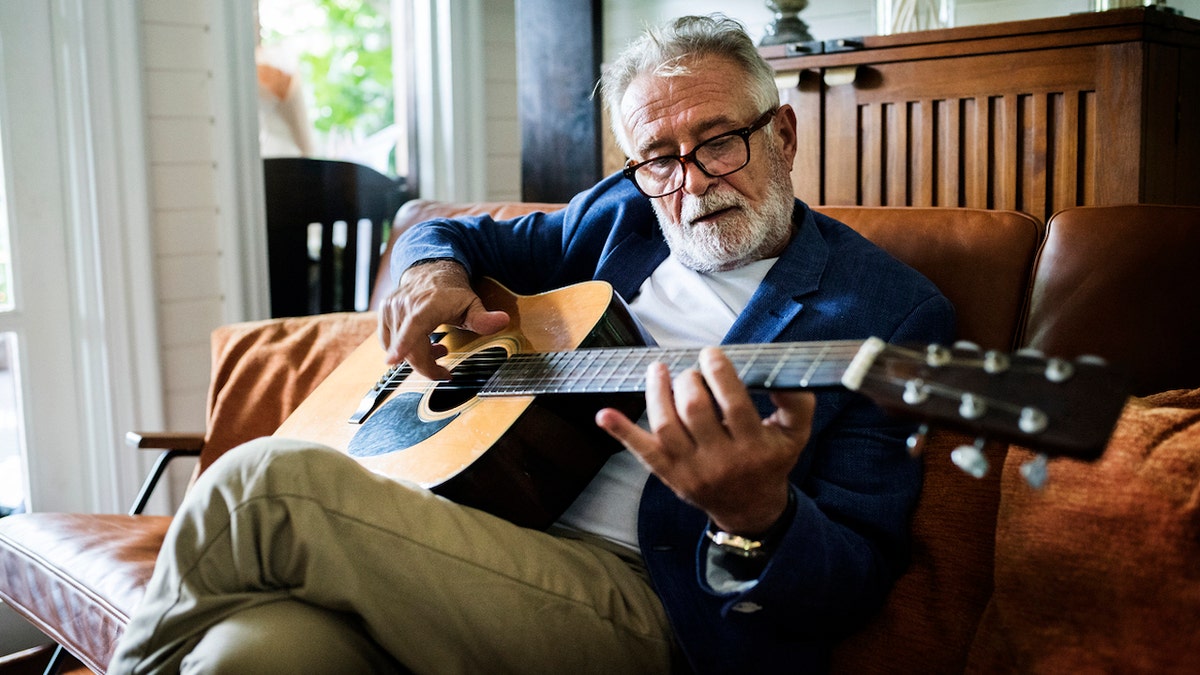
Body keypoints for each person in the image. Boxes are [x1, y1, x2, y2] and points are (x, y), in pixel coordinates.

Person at [111, 14, 954, 674]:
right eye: (658, 156)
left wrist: (759, 518)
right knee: (249, 657)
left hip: (647, 601)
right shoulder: (622, 214)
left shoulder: (889, 312)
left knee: (265, 483)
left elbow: (855, 574)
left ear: (784, 136)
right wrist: (428, 273)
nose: (691, 181)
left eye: (719, 140)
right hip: (467, 529)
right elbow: (453, 232)